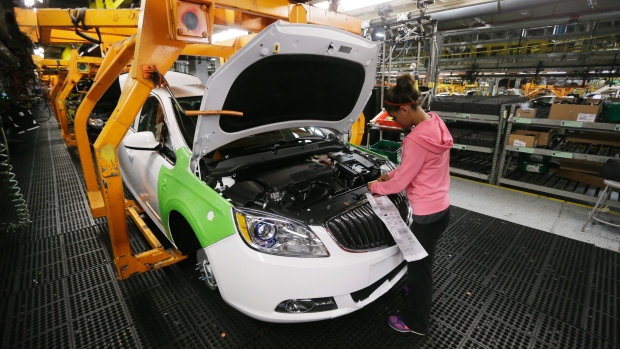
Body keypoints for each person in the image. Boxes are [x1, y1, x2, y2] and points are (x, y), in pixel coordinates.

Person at [368, 74, 453, 336]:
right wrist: (390, 174)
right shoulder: (436, 124)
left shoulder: (415, 140)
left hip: (425, 215)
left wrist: (374, 186)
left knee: (420, 271)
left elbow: (399, 183)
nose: (395, 122)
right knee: (424, 260)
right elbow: (411, 169)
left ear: (404, 108)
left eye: (394, 117)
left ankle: (415, 323)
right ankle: (414, 285)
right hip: (442, 209)